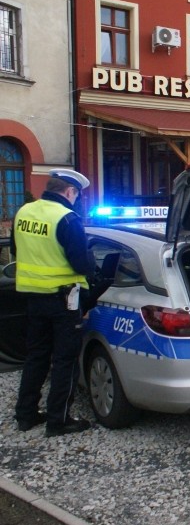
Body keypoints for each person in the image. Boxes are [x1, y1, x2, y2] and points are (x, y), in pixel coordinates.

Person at [12, 169, 95, 437]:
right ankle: (58, 421)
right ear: (70, 192)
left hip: (32, 298)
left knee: (36, 356)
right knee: (64, 360)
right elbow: (82, 264)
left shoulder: (23, 212)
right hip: (63, 301)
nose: (77, 200)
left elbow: (16, 252)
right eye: (77, 195)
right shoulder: (67, 219)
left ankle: (25, 415)